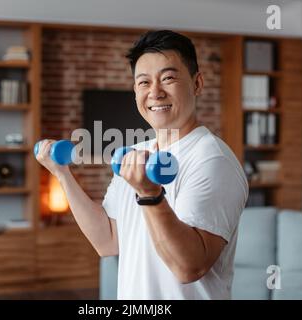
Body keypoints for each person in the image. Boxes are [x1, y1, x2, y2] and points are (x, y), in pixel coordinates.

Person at [36, 30, 248, 300]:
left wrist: (150, 195)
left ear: (197, 84)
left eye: (168, 78)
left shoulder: (212, 161)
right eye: (144, 82)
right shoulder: (136, 154)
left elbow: (188, 267)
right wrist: (62, 174)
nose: (155, 92)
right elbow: (107, 241)